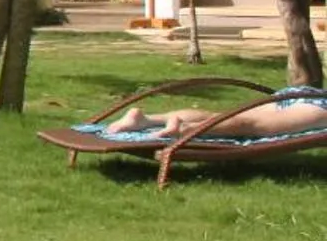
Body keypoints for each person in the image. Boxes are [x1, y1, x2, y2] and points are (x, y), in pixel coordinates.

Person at [101, 88, 327, 139]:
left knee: (223, 114)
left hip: (301, 94)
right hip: (320, 105)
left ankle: (146, 120)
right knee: (253, 125)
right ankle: (185, 129)